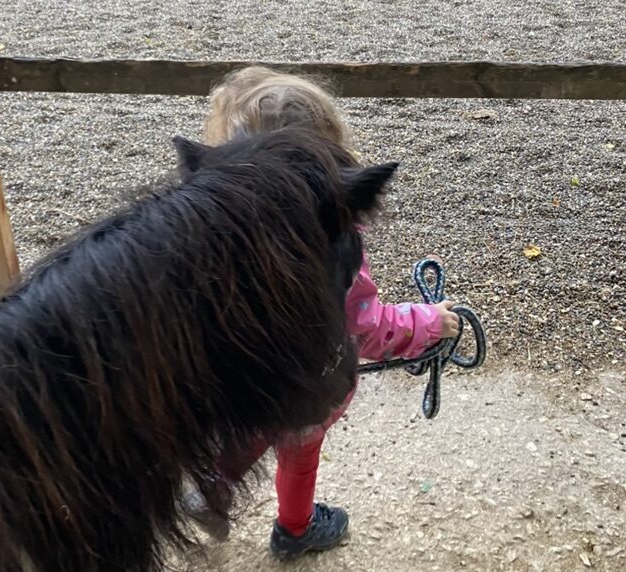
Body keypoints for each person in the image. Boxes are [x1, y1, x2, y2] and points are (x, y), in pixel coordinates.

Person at [183, 66, 461, 561]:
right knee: (299, 453)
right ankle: (296, 529)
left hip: (245, 382)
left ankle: (211, 487)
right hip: (313, 387)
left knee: (249, 430)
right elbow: (367, 326)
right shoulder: (332, 249)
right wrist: (429, 324)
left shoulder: (215, 233)